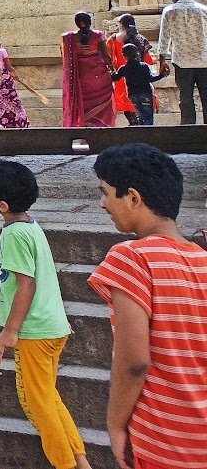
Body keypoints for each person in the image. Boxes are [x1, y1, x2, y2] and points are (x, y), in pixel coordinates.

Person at [88, 144, 207, 469]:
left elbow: (134, 361)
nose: (102, 203)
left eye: (106, 193)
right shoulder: (203, 260)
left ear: (133, 198)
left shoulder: (131, 258)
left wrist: (115, 424)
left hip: (166, 440)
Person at [0, 160, 91, 469]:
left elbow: (26, 284)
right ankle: (79, 460)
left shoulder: (14, 234)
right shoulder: (29, 225)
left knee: (36, 404)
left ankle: (65, 465)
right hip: (51, 328)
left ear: (1, 205)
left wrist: (11, 330)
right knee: (47, 397)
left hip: (35, 332)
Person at [157, 0, 207, 125]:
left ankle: (188, 129)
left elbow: (164, 38)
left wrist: (162, 62)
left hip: (182, 62)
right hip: (204, 60)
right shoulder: (204, 10)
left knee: (185, 98)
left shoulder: (170, 11)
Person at [62, 12, 116, 128]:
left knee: (83, 102)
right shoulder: (98, 35)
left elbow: (65, 57)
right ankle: (100, 127)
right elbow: (105, 56)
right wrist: (112, 69)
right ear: (90, 22)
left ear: (77, 24)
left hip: (80, 76)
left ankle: (84, 124)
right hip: (99, 76)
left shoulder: (68, 38)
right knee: (103, 102)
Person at [108, 15, 154, 125]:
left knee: (127, 103)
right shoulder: (140, 39)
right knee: (145, 111)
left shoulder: (113, 40)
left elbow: (109, 58)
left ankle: (133, 123)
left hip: (122, 78)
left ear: (121, 25)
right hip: (141, 78)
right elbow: (149, 60)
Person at [112, 43, 169, 127]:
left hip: (133, 95)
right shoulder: (143, 66)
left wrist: (109, 70)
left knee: (140, 115)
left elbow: (115, 78)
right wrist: (161, 75)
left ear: (124, 56)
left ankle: (142, 133)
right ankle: (148, 134)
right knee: (148, 116)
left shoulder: (123, 68)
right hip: (145, 93)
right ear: (137, 54)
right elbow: (150, 79)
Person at [0, 34, 31, 129]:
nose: (0, 43)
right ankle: (21, 123)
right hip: (5, 82)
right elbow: (9, 67)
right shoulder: (2, 51)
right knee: (14, 102)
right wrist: (15, 75)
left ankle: (1, 124)